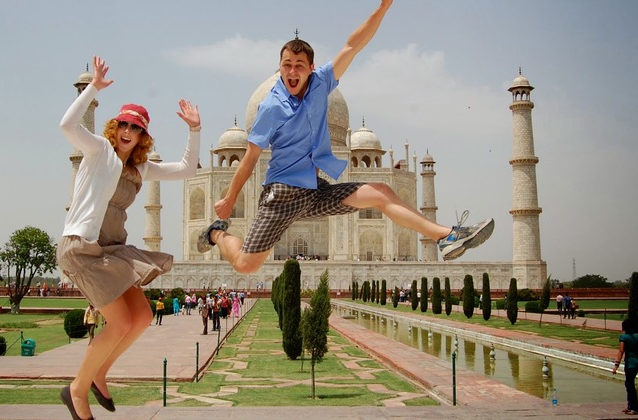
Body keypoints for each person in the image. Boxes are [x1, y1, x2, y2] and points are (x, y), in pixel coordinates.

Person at [196, 0, 493, 273]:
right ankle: (217, 233)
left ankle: (447, 236)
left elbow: (353, 45)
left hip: (314, 190)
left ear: (311, 68)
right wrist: (230, 198)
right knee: (245, 265)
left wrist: (383, 9)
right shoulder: (270, 106)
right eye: (287, 65)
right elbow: (249, 159)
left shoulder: (320, 84)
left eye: (299, 65)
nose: (292, 71)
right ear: (281, 68)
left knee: (380, 192)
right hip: (281, 196)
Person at [56, 55, 201, 420]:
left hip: (112, 250)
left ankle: (98, 374)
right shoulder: (97, 151)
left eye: (134, 128)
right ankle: (76, 389)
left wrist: (194, 131)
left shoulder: (139, 168)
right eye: (123, 124)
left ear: (142, 136)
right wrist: (92, 89)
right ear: (114, 126)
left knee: (140, 317)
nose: (127, 131)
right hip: (82, 248)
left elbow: (185, 170)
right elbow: (67, 125)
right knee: (119, 322)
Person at [612, 319, 638, 415]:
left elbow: (621, 351)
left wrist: (616, 365)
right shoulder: (637, 336)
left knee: (630, 385)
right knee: (629, 384)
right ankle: (630, 406)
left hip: (630, 363)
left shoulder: (623, 337)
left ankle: (635, 408)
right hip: (637, 362)